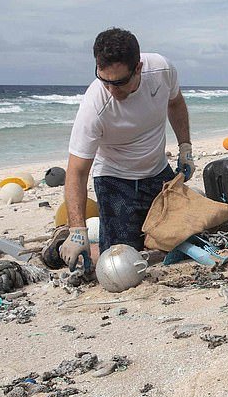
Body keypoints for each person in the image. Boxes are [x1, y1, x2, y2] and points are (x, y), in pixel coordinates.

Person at [59, 28, 195, 270]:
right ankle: (62, 246)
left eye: (120, 82)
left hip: (158, 173)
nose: (112, 90)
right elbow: (76, 171)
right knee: (122, 261)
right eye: (105, 80)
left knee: (182, 244)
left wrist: (185, 147)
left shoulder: (162, 71)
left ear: (139, 68)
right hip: (115, 180)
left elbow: (175, 103)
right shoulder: (94, 107)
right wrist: (77, 230)